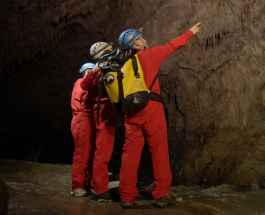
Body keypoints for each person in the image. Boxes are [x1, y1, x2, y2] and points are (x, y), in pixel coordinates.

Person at [116, 22, 201, 209]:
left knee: (130, 154)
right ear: (136, 44)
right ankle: (162, 194)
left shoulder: (120, 64)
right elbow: (172, 45)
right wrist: (190, 32)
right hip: (151, 107)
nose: (145, 39)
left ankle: (127, 196)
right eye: (141, 38)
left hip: (130, 112)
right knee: (159, 150)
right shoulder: (149, 54)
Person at [80, 42, 117, 202]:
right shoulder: (101, 68)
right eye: (109, 50)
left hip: (105, 109)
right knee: (103, 150)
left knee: (102, 149)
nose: (112, 52)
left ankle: (98, 185)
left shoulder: (102, 67)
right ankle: (100, 189)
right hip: (104, 109)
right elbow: (85, 85)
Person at [70, 63, 96, 197]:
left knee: (90, 153)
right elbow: (84, 100)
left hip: (88, 119)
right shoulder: (81, 82)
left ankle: (86, 184)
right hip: (82, 118)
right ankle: (77, 185)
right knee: (82, 152)